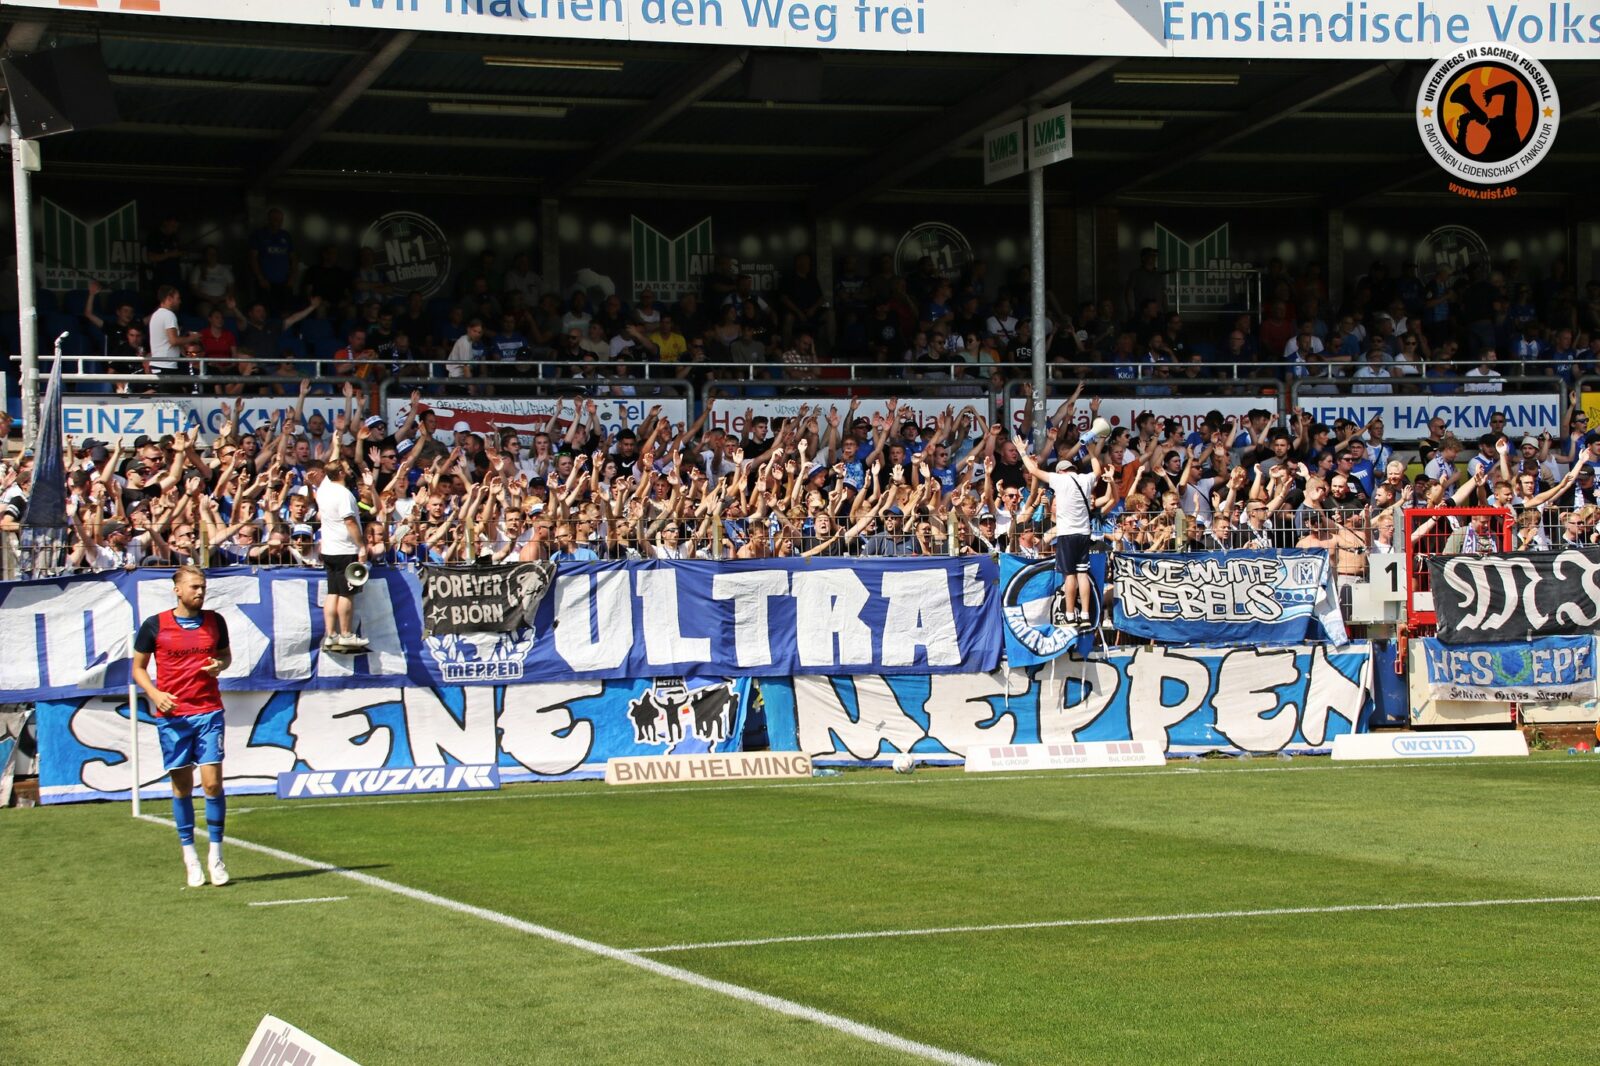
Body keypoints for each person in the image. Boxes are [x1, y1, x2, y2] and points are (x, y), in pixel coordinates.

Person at [130, 565, 233, 888]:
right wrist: (155, 693)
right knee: (181, 787)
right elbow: (138, 669)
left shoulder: (216, 622)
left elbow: (226, 656)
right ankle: (189, 854)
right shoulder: (154, 625)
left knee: (213, 784)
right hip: (173, 716)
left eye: (202, 587)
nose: (200, 592)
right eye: (193, 587)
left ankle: (215, 855)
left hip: (209, 711)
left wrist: (221, 664)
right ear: (177, 590)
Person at [1014, 432, 1101, 627]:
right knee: (1083, 574)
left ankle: (1070, 615)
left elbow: (1034, 471)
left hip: (1066, 534)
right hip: (1083, 534)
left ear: (1061, 471)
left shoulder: (1059, 480)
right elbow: (1097, 470)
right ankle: (1086, 615)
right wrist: (1092, 451)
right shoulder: (1085, 480)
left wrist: (1022, 452)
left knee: (1069, 575)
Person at [308, 459, 368, 651]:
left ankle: (331, 634)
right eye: (347, 469)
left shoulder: (324, 490)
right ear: (341, 473)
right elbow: (350, 521)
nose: (350, 471)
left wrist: (336, 444)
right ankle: (345, 634)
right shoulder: (344, 494)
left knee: (333, 592)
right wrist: (361, 546)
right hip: (345, 549)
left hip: (329, 550)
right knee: (347, 594)